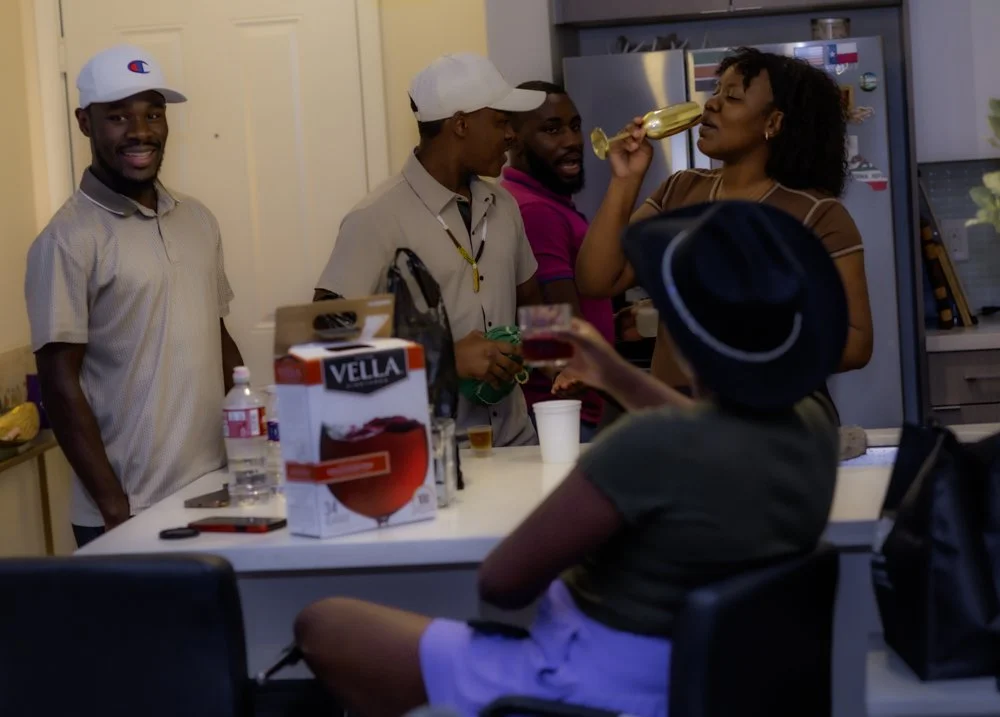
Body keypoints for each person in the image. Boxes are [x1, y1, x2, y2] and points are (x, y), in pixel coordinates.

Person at [292, 200, 847, 717]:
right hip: (708, 682)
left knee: (323, 624)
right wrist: (611, 373)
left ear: (678, 335)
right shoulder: (813, 427)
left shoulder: (649, 446)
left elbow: (503, 583)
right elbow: (705, 431)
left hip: (590, 684)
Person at [573, 47, 873, 422]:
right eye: (716, 92)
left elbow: (857, 343)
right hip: (674, 418)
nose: (711, 104)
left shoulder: (818, 214)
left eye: (732, 97)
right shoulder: (679, 190)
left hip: (769, 422)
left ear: (774, 123)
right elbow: (596, 279)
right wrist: (624, 180)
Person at [24, 44, 243, 548]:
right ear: (85, 122)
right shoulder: (66, 240)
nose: (140, 131)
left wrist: (250, 445)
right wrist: (113, 506)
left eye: (153, 114)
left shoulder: (197, 219)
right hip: (128, 507)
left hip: (216, 490)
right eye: (118, 116)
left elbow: (217, 334)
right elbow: (59, 384)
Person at [314, 54, 547, 447]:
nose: (513, 135)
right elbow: (324, 348)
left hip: (516, 441)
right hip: (432, 456)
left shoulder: (503, 206)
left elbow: (532, 306)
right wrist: (447, 361)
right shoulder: (376, 219)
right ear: (461, 124)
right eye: (501, 121)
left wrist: (553, 355)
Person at [500, 81, 614, 442]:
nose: (572, 141)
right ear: (512, 138)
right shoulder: (535, 211)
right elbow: (554, 319)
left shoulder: (536, 200)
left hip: (564, 407)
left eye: (575, 126)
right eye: (551, 130)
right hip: (568, 412)